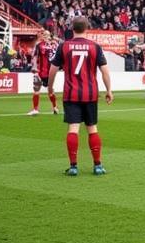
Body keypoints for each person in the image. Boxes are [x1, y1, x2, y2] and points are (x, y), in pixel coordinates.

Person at [48, 16, 113, 176]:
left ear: (71, 28)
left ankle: (73, 167)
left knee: (73, 128)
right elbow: (105, 70)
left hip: (71, 94)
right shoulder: (95, 47)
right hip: (90, 94)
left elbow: (53, 69)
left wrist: (50, 88)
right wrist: (109, 90)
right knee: (92, 129)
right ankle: (97, 166)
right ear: (87, 28)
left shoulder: (64, 46)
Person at [28, 31, 58, 115]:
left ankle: (55, 107)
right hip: (40, 72)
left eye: (46, 34)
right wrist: (34, 66)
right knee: (36, 89)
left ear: (49, 36)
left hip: (50, 72)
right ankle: (35, 109)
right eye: (43, 34)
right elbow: (35, 56)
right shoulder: (39, 45)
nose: (45, 36)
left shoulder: (54, 45)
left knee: (50, 91)